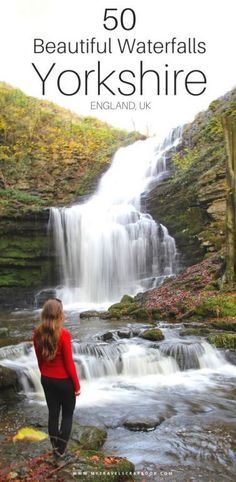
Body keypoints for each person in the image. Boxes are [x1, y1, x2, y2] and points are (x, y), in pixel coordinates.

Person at [33, 298, 80, 462]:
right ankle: (61, 452)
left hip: (47, 379)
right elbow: (69, 363)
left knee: (53, 415)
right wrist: (77, 385)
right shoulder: (64, 334)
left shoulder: (36, 333)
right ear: (60, 314)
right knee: (67, 416)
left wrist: (45, 375)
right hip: (64, 381)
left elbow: (39, 360)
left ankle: (56, 451)